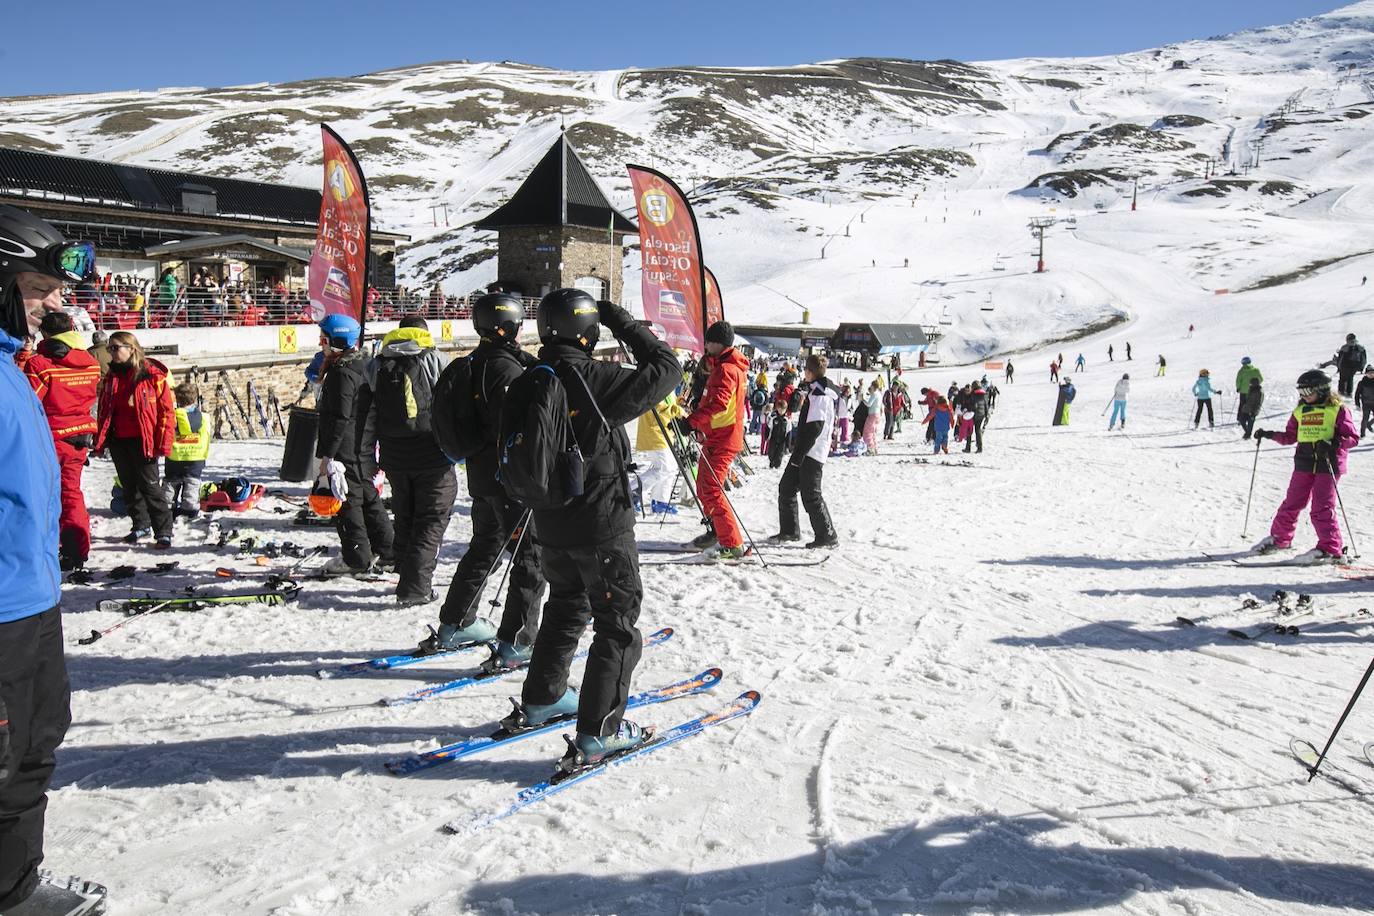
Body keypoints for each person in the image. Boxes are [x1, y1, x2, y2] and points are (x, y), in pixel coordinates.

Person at [504, 290, 679, 771]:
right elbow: (667, 369)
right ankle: (599, 732)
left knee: (565, 607)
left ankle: (543, 696)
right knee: (616, 625)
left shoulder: (528, 379)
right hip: (601, 524)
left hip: (550, 522)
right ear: (589, 329)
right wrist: (624, 322)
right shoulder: (594, 378)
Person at [0, 203, 85, 912]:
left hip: (33, 596)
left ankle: (13, 886)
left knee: (34, 748)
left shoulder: (12, 367)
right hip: (1, 611)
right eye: (38, 288)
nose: (55, 303)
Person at [429, 294, 546, 669]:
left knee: (487, 548)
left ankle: (457, 621)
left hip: (481, 478)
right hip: (508, 480)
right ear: (510, 327)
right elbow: (513, 429)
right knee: (530, 558)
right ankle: (516, 642)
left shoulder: (472, 363)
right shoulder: (505, 371)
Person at [365, 316, 452, 606]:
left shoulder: (377, 364)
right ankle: (415, 589)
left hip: (393, 455)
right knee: (432, 519)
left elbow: (370, 411)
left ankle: (404, 571)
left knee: (406, 515)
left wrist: (369, 455)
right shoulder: (434, 359)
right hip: (433, 455)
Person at [1252, 369, 1359, 563]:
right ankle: (1280, 538)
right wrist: (1269, 434)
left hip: (1328, 464)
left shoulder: (1338, 409)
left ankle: (1330, 548)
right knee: (1292, 502)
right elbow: (1290, 436)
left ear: (1322, 389)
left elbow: (1352, 438)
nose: (1303, 396)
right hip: (1304, 462)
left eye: (1307, 391)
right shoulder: (1301, 411)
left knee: (1321, 507)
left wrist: (1334, 443)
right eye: (1301, 392)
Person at [316, 313, 394, 577]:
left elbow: (339, 416)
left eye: (323, 339)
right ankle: (388, 550)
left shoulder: (342, 372)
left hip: (346, 446)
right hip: (364, 442)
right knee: (368, 496)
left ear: (336, 340)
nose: (321, 345)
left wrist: (327, 456)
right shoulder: (364, 363)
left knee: (346, 499)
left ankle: (356, 558)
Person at [24, 310, 100, 570]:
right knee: (71, 493)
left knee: (42, 496)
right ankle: (77, 550)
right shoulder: (90, 361)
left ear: (44, 333)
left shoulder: (40, 364)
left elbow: (29, 403)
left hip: (50, 438)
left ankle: (47, 548)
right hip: (79, 437)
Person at [94, 330, 174, 547]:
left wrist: (163, 442)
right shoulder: (112, 375)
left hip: (144, 439)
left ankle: (163, 530)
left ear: (132, 349)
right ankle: (140, 524)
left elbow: (167, 411)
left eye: (115, 348)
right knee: (129, 486)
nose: (111, 352)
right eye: (109, 348)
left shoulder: (152, 375)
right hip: (119, 438)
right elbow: (104, 409)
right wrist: (100, 439)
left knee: (150, 487)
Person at [686, 320, 750, 559]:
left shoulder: (726, 369)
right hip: (717, 436)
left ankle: (732, 543)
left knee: (711, 489)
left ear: (717, 343)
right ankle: (717, 531)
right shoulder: (726, 366)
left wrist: (692, 421)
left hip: (723, 439)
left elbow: (719, 404)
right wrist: (700, 427)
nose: (705, 346)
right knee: (704, 487)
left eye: (708, 341)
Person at [771, 353, 839, 547]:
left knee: (811, 494)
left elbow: (814, 428)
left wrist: (798, 455)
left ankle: (827, 536)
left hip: (812, 453)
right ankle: (790, 531)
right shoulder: (816, 391)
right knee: (787, 487)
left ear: (810, 372)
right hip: (804, 451)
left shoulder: (820, 395)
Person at [164, 381, 210, 520]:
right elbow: (207, 436)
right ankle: (189, 508)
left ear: (177, 398)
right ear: (195, 398)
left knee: (171, 484)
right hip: (195, 458)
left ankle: (167, 507)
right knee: (192, 484)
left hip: (174, 457)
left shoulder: (171, 417)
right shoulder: (204, 417)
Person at [1324, 333, 1366, 398]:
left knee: (1342, 379)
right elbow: (1363, 359)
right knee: (1350, 378)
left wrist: (1339, 367)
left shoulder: (1344, 347)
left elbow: (1340, 359)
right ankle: (1349, 392)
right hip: (1355, 365)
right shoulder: (1360, 348)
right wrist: (1361, 367)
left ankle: (1341, 391)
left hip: (1345, 365)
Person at [1235, 357, 1262, 422]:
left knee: (1242, 404)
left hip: (1243, 391)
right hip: (1253, 391)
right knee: (1251, 404)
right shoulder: (1256, 370)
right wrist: (1256, 385)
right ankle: (1250, 417)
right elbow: (1261, 379)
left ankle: (1240, 418)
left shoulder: (1241, 371)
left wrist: (1238, 388)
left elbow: (1238, 381)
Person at [965, 380, 988, 453]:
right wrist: (986, 415)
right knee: (978, 430)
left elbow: (973, 405)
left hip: (973, 414)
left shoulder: (973, 394)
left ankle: (968, 448)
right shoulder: (984, 394)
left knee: (969, 430)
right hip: (981, 414)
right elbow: (986, 405)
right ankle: (980, 448)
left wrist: (968, 410)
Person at [861, 379, 883, 455]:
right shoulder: (879, 394)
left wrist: (863, 399)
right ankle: (874, 447)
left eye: (871, 385)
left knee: (868, 431)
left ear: (874, 386)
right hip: (877, 414)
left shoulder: (874, 394)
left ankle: (870, 448)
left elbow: (869, 404)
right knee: (873, 432)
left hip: (872, 415)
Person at [1356, 366, 1374, 438]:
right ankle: (1362, 434)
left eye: (1373, 373)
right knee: (1365, 418)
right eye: (1369, 373)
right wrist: (1357, 404)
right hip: (1366, 403)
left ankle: (1369, 424)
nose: (1371, 374)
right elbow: (1357, 394)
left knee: (1367, 420)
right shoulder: (1362, 383)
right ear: (1366, 374)